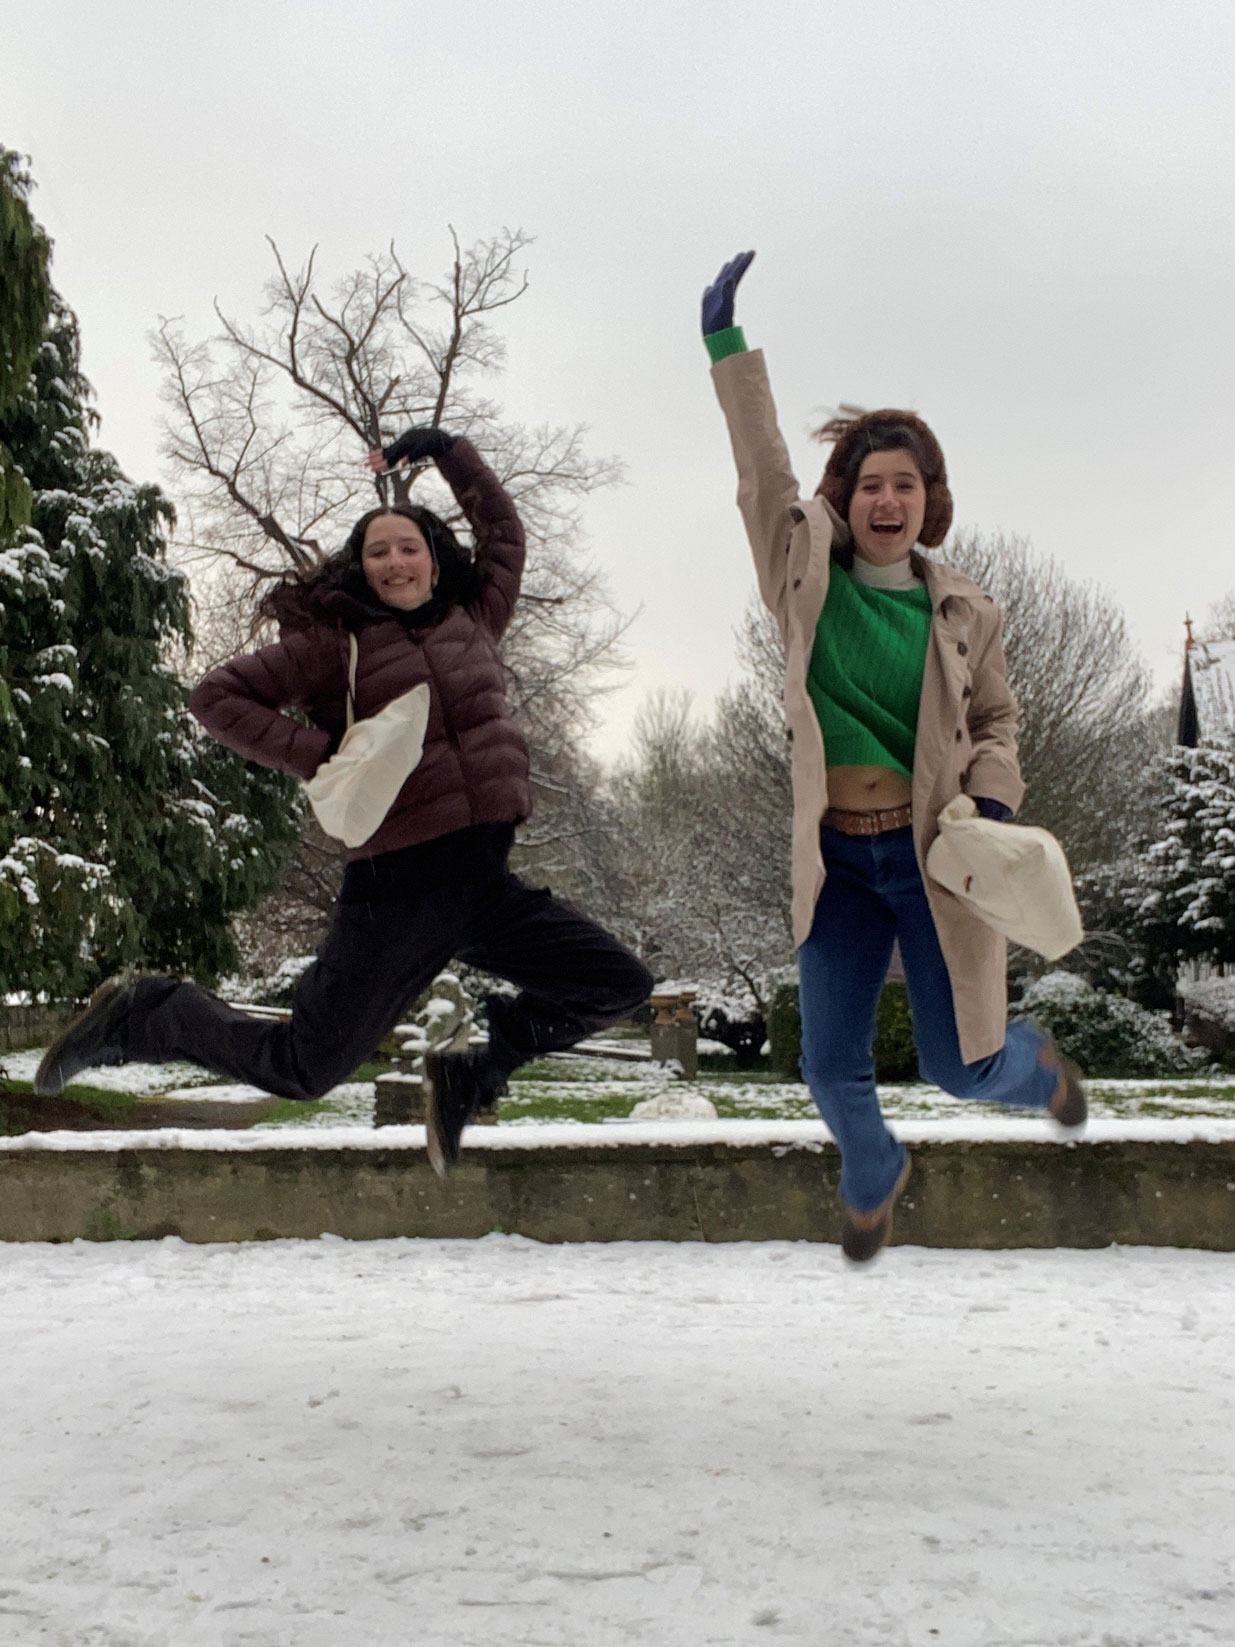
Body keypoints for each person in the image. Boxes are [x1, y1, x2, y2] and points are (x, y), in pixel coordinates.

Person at [36, 426, 652, 1174]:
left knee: (617, 982)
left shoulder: (475, 617)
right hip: (394, 893)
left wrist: (447, 450)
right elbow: (214, 695)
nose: (394, 561)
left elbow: (503, 531)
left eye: (408, 545)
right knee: (304, 1066)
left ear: (433, 555)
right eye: (377, 552)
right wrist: (321, 756)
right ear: (361, 569)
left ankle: (474, 1072)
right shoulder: (337, 645)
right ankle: (144, 1014)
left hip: (482, 884)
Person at [702, 252, 1086, 1262]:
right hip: (834, 860)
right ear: (846, 494)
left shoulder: (967, 611)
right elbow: (759, 475)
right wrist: (725, 346)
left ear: (927, 499)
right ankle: (871, 1164)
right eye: (867, 483)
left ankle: (1034, 1071)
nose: (884, 499)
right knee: (827, 1069)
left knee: (962, 1069)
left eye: (902, 484)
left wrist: (991, 802)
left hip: (934, 861)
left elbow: (999, 726)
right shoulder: (798, 575)